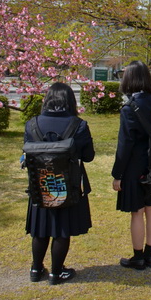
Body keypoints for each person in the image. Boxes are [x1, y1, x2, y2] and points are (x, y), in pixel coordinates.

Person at [25, 82, 95, 285]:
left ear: (47, 99)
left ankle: (36, 269)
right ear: (70, 101)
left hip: (40, 183)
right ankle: (56, 273)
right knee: (61, 230)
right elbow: (89, 156)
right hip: (68, 185)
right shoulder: (78, 125)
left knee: (40, 229)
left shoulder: (32, 124)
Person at [111, 60, 151, 270]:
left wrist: (117, 174)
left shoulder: (129, 107)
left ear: (130, 78)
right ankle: (149, 255)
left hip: (134, 165)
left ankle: (138, 257)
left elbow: (125, 144)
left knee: (137, 212)